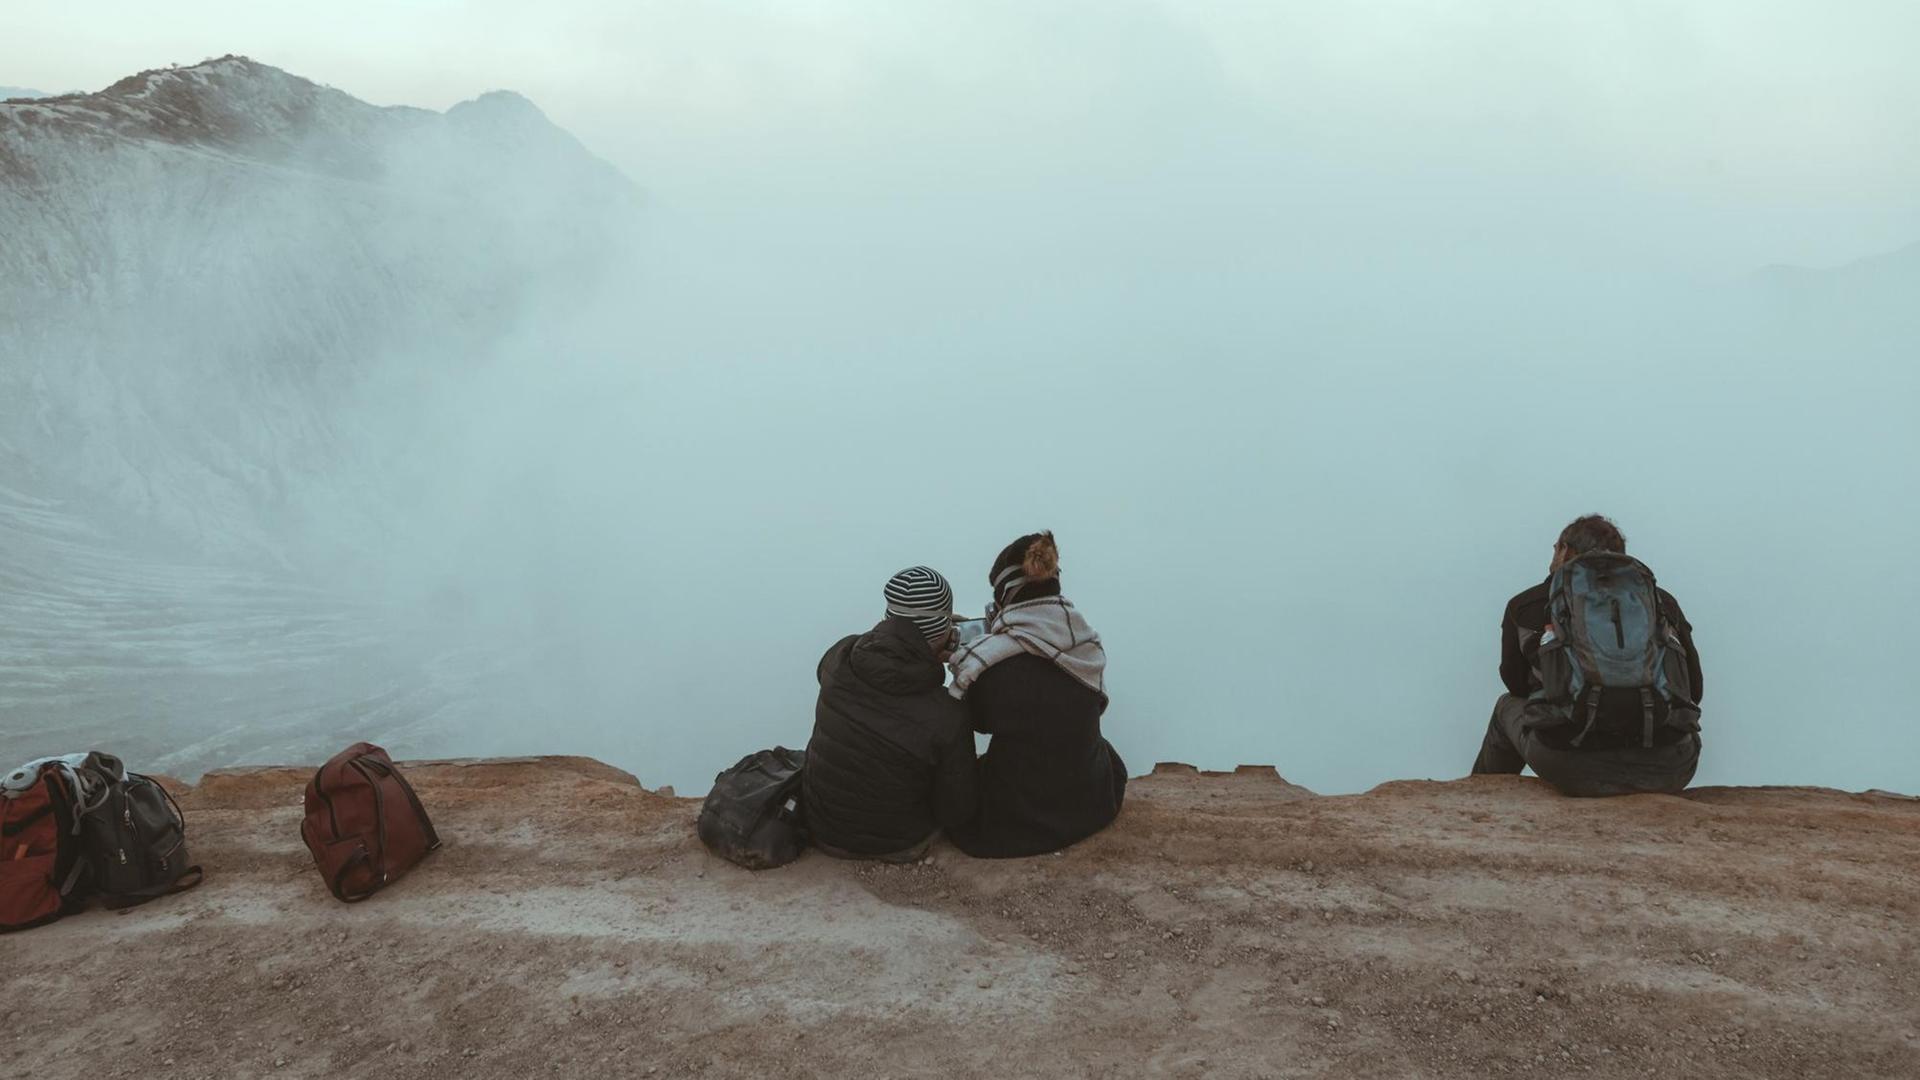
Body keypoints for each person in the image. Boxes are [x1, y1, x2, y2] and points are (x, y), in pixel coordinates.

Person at [1471, 514, 1704, 796]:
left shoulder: (1526, 605)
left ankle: (1480, 797)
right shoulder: (1661, 603)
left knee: (1507, 705)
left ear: (1566, 550)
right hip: (1668, 767)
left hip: (1570, 765)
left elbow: (1517, 685)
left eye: (1556, 547)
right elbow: (1694, 688)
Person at [946, 532, 1127, 857]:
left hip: (1015, 826)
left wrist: (984, 647)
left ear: (1003, 596)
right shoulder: (1085, 645)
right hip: (1094, 805)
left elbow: (977, 723)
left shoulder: (989, 666)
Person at [802, 566, 978, 862]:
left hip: (821, 827)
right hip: (896, 842)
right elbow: (956, 812)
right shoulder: (947, 714)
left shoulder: (839, 656)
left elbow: (873, 666)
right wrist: (935, 652)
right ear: (942, 630)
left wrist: (917, 643)